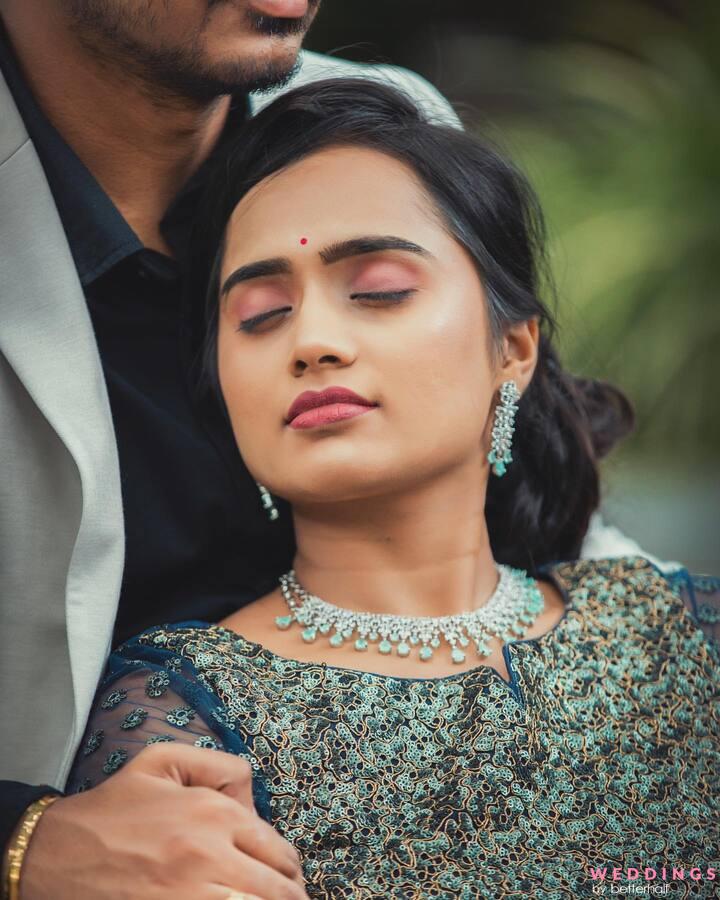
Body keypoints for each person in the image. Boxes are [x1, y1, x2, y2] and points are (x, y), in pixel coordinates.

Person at [65, 79, 720, 898]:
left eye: (378, 291)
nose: (312, 341)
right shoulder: (184, 712)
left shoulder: (683, 630)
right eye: (262, 313)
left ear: (512, 350)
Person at [0, 2, 464, 898]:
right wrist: (23, 843)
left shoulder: (380, 122)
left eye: (380, 288)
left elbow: (527, 507)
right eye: (257, 311)